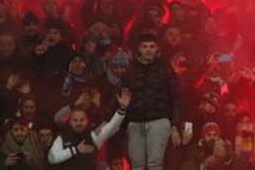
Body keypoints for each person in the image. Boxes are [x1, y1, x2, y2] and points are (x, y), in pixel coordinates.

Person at [121, 33, 182, 170]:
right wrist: (105, 121)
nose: (148, 50)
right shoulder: (131, 70)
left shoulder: (165, 69)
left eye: (151, 46)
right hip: (135, 122)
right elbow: (118, 96)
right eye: (144, 47)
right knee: (136, 165)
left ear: (157, 49)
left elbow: (176, 98)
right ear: (139, 49)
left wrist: (174, 126)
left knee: (155, 164)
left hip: (159, 121)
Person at [47, 88, 131, 168]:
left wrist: (122, 109)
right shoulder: (62, 137)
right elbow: (52, 158)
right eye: (75, 120)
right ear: (70, 122)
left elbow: (112, 127)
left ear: (87, 121)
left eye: (81, 120)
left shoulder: (93, 136)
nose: (78, 123)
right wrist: (76, 149)